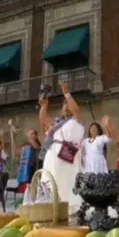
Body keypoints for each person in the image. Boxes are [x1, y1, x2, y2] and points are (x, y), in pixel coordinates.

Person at [37, 81, 84, 209]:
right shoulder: (57, 123)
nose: (66, 105)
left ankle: (69, 210)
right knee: (50, 183)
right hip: (52, 157)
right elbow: (43, 119)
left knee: (65, 184)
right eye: (64, 103)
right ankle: (49, 210)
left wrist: (66, 93)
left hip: (67, 157)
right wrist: (44, 106)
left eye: (68, 103)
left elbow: (77, 111)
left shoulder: (77, 120)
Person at [16, 129, 42, 193]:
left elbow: (36, 148)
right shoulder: (25, 145)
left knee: (35, 185)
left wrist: (31, 140)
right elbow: (17, 153)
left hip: (35, 167)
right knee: (28, 186)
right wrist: (13, 139)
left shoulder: (37, 144)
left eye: (32, 134)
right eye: (30, 133)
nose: (31, 135)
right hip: (27, 168)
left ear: (35, 136)